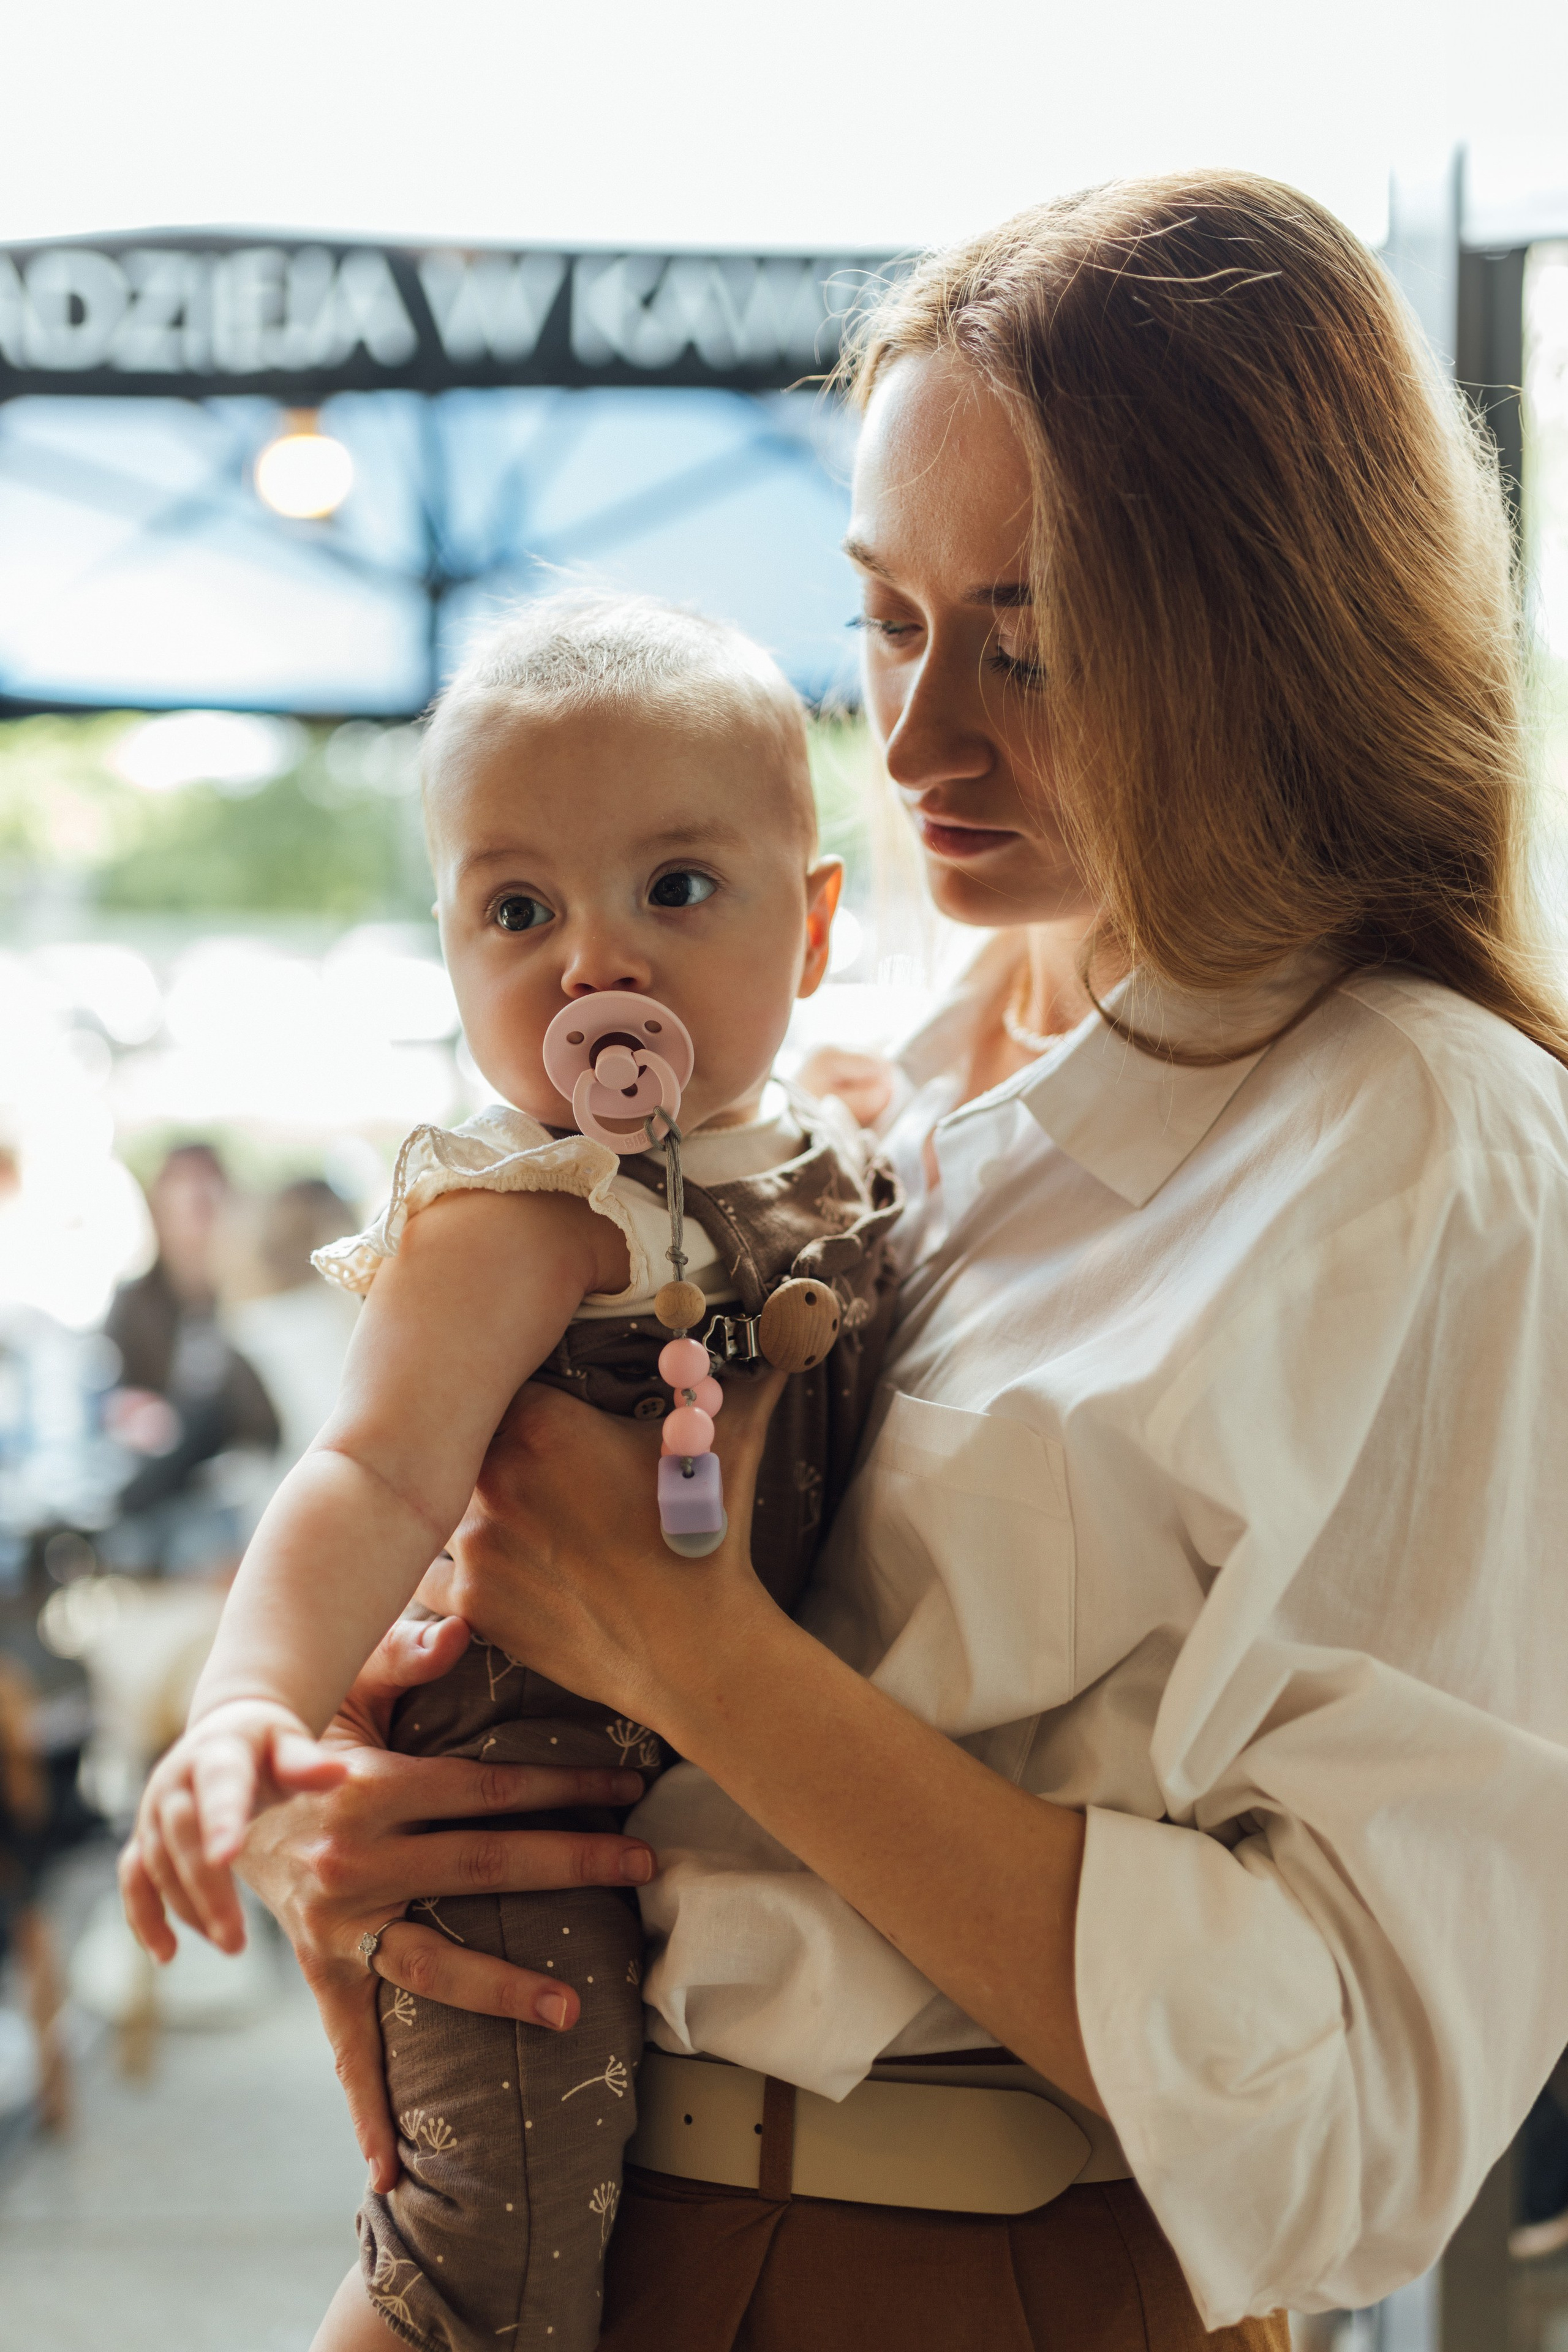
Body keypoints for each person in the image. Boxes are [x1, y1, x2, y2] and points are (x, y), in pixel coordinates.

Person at [123, 168, 1568, 2350]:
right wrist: (356, 1833)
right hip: (586, 2217)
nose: (907, 742)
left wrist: (697, 1661)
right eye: (885, 620)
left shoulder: (1425, 1148)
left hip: (988, 2271)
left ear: (1270, 628)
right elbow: (470, 1556)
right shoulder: (847, 1073)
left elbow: (1353, 2120)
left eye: (1029, 637)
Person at [123, 593, 898, 2352]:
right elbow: (372, 1471)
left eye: (676, 893)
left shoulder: (824, 1148)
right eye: (521, 909)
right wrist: (250, 1698)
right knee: (492, 2260)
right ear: (454, 946)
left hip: (696, 1796)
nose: (594, 967)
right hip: (509, 1825)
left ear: (816, 923)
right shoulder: (525, 1213)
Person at [103, 1142, 280, 1572]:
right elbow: (116, 1397)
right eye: (185, 1199)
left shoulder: (256, 1299)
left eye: (209, 1197)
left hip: (240, 1488)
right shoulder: (136, 1303)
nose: (198, 1213)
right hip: (161, 1483)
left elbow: (266, 1426)